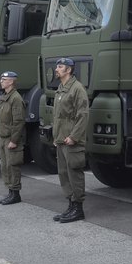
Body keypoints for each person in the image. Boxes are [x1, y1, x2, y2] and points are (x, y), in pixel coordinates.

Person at [51, 57, 89, 223]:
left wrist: (74, 136)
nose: (56, 69)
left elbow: (83, 116)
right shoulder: (61, 89)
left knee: (74, 173)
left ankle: (78, 209)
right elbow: (58, 117)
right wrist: (56, 136)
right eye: (57, 66)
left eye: (60, 67)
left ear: (69, 70)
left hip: (72, 140)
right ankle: (71, 205)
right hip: (61, 140)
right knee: (64, 174)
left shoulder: (77, 89)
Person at [0, 71, 25, 205]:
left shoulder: (16, 98)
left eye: (4, 79)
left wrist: (14, 140)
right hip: (4, 138)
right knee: (5, 166)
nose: (1, 81)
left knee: (13, 166)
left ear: (11, 82)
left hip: (11, 139)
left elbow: (18, 122)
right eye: (2, 79)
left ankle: (15, 193)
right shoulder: (5, 97)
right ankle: (10, 192)